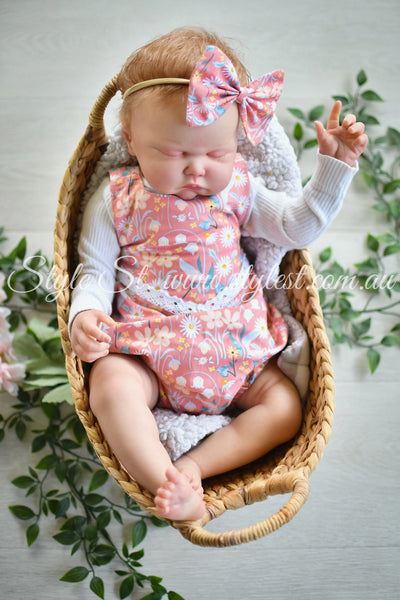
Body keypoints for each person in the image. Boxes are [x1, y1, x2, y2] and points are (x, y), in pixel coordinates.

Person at [69, 27, 368, 521]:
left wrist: (334, 168)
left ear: (236, 145)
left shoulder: (239, 191)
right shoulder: (117, 198)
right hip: (149, 352)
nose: (197, 170)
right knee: (109, 386)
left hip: (237, 351)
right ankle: (159, 477)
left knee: (286, 410)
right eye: (174, 153)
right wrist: (86, 313)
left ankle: (191, 469)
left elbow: (297, 226)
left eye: (217, 153)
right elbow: (96, 270)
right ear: (132, 135)